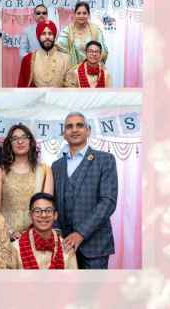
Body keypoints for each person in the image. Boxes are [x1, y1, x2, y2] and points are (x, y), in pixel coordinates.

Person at [52, 112, 118, 269]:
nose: (74, 130)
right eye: (69, 126)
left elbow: (108, 202)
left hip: (95, 246)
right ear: (64, 134)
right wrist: (56, 235)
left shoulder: (105, 160)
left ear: (88, 131)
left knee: (92, 292)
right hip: (64, 245)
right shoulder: (56, 166)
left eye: (79, 125)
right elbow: (52, 203)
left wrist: (81, 233)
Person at [0, 124, 53, 241]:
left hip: (36, 236)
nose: (20, 141)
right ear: (10, 144)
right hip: (7, 237)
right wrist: (10, 232)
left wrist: (32, 232)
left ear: (31, 141)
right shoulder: (0, 171)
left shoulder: (44, 170)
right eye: (15, 138)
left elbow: (47, 207)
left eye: (24, 137)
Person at [11, 192, 78, 269]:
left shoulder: (67, 249)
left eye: (48, 211)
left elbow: (72, 280)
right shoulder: (15, 249)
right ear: (30, 215)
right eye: (37, 211)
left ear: (55, 215)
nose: (43, 215)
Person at [18, 19, 71, 87]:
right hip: (37, 97)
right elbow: (22, 87)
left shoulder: (66, 59)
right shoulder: (28, 59)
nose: (47, 37)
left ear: (54, 36)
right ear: (38, 37)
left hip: (59, 97)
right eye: (43, 34)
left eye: (50, 33)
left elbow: (71, 88)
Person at [56, 1, 108, 66]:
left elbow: (102, 51)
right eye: (78, 13)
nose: (81, 16)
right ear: (74, 15)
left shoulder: (96, 30)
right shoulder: (68, 30)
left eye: (84, 13)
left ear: (88, 15)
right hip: (74, 70)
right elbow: (59, 46)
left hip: (93, 68)